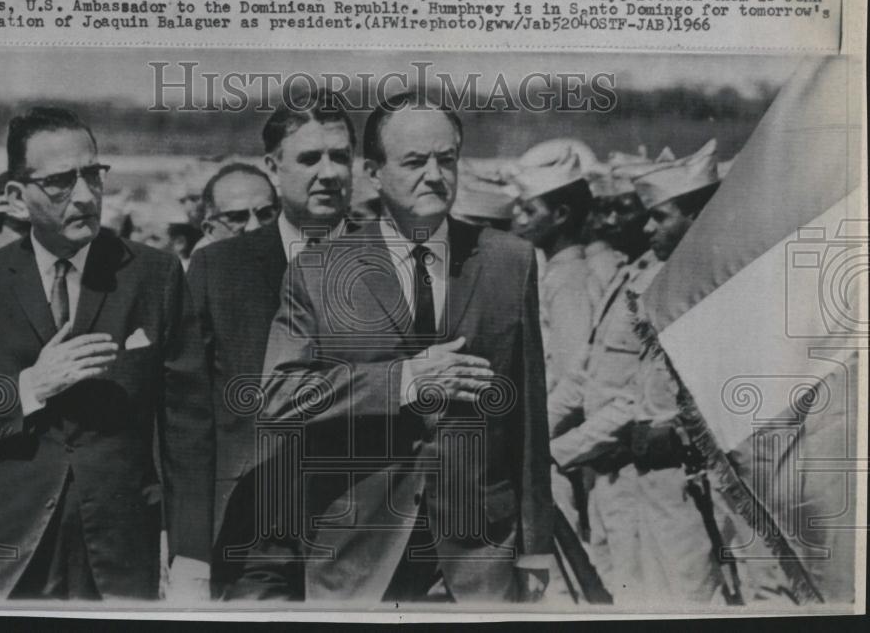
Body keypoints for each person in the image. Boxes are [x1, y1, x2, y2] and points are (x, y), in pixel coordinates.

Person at [0, 107, 214, 601]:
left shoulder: (154, 277)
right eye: (61, 182)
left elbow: (189, 431)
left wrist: (193, 556)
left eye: (93, 175)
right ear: (16, 198)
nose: (87, 196)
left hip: (120, 563)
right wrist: (29, 389)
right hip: (2, 561)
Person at [258, 91, 554, 603]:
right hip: (358, 554)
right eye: (415, 162)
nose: (435, 176)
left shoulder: (511, 261)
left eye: (447, 159)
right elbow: (279, 397)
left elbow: (528, 416)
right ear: (373, 173)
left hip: (479, 554)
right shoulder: (319, 269)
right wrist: (405, 381)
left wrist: (535, 548)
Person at [186, 90, 355, 600]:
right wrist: (188, 542)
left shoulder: (390, 257)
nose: (328, 173)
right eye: (309, 158)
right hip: (252, 532)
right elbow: (183, 407)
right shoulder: (219, 268)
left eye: (341, 157)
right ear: (273, 166)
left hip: (363, 533)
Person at [548, 139, 726, 605]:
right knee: (622, 592)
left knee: (680, 595)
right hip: (619, 474)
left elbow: (641, 398)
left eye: (654, 215)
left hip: (662, 473)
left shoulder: (693, 292)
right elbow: (590, 372)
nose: (634, 224)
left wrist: (562, 447)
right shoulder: (636, 275)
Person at [510, 143, 598, 394]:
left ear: (560, 215)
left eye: (530, 211)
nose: (520, 220)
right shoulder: (556, 272)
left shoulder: (569, 280)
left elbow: (567, 373)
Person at [193, 162, 280, 253]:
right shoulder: (200, 263)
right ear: (210, 230)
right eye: (238, 217)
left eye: (265, 214)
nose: (253, 227)